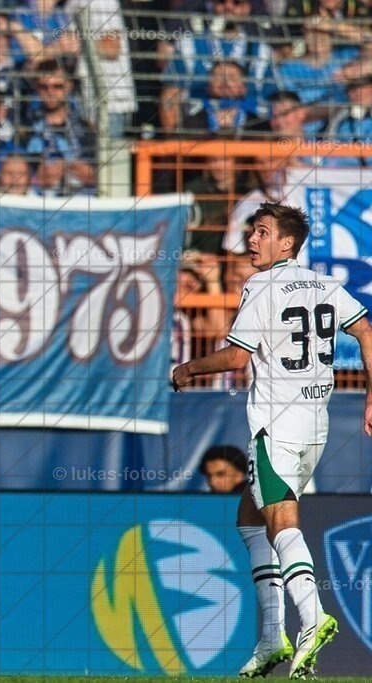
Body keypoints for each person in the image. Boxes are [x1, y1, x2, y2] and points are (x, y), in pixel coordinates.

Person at [172, 201, 372, 678]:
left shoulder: (261, 286)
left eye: (261, 232)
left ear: (287, 243)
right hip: (315, 423)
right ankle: (271, 637)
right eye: (252, 232)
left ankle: (313, 617)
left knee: (281, 522)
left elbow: (236, 360)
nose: (251, 240)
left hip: (276, 425)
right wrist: (370, 399)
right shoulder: (325, 284)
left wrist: (187, 368)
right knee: (249, 519)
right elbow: (366, 330)